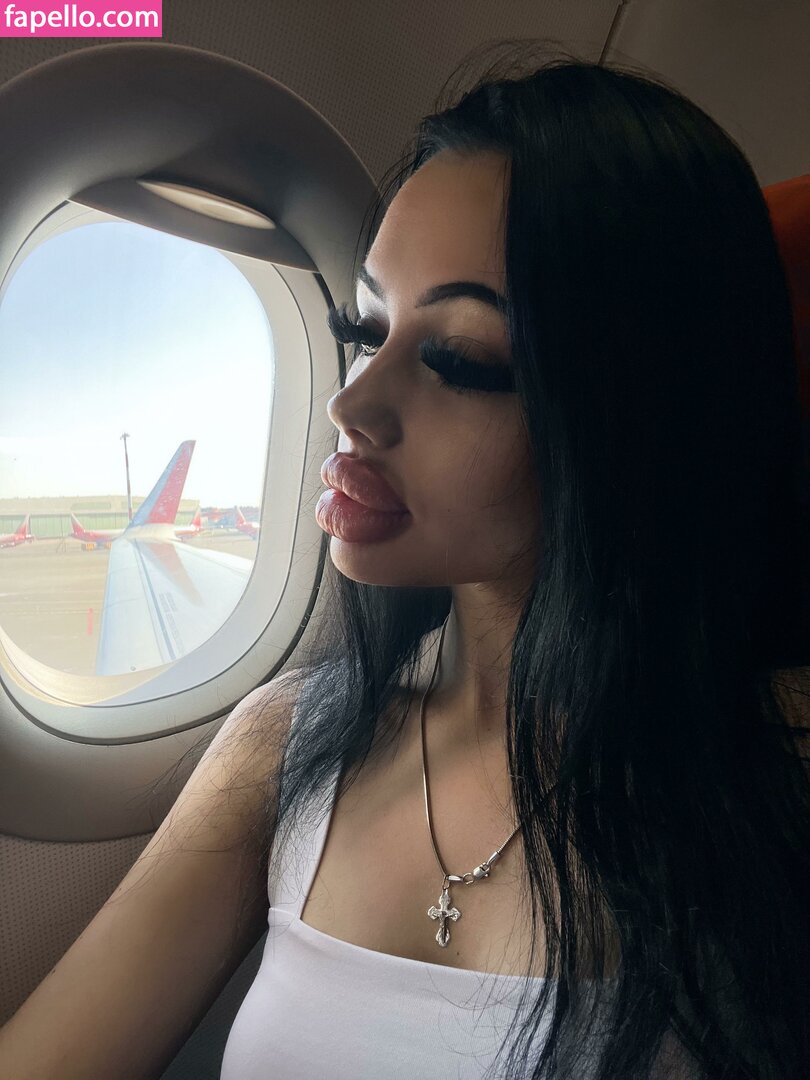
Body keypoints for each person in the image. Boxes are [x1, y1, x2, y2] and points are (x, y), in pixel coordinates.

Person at [219, 44, 810, 1079]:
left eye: (458, 359)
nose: (351, 404)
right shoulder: (284, 740)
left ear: (639, 417)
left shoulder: (779, 789)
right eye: (366, 327)